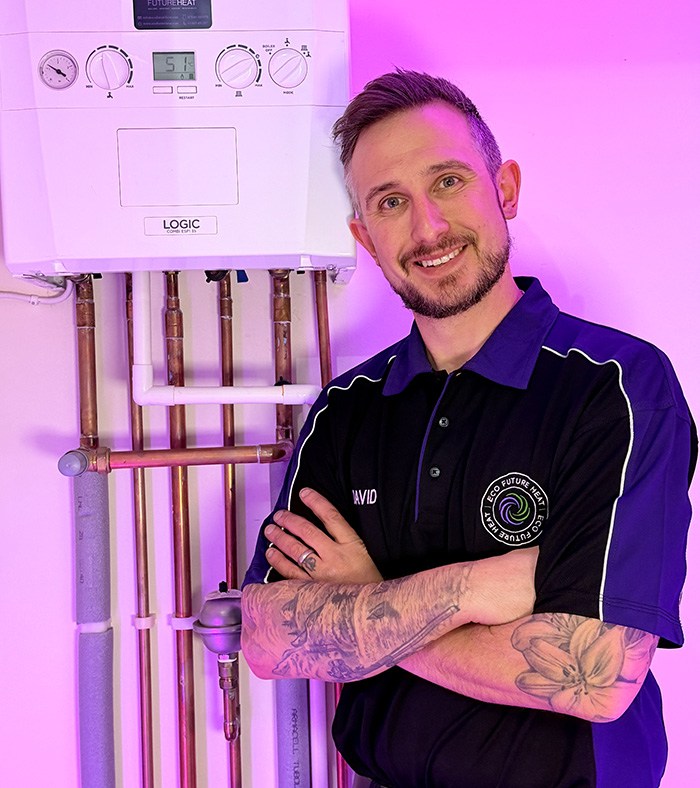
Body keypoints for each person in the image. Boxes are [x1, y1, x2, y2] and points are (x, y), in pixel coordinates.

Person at [241, 70, 696, 788]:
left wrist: (364, 601)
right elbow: (267, 640)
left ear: (504, 188)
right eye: (391, 202)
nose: (427, 228)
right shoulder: (345, 411)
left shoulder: (617, 387)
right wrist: (476, 589)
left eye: (448, 182)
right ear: (364, 235)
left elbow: (597, 676)